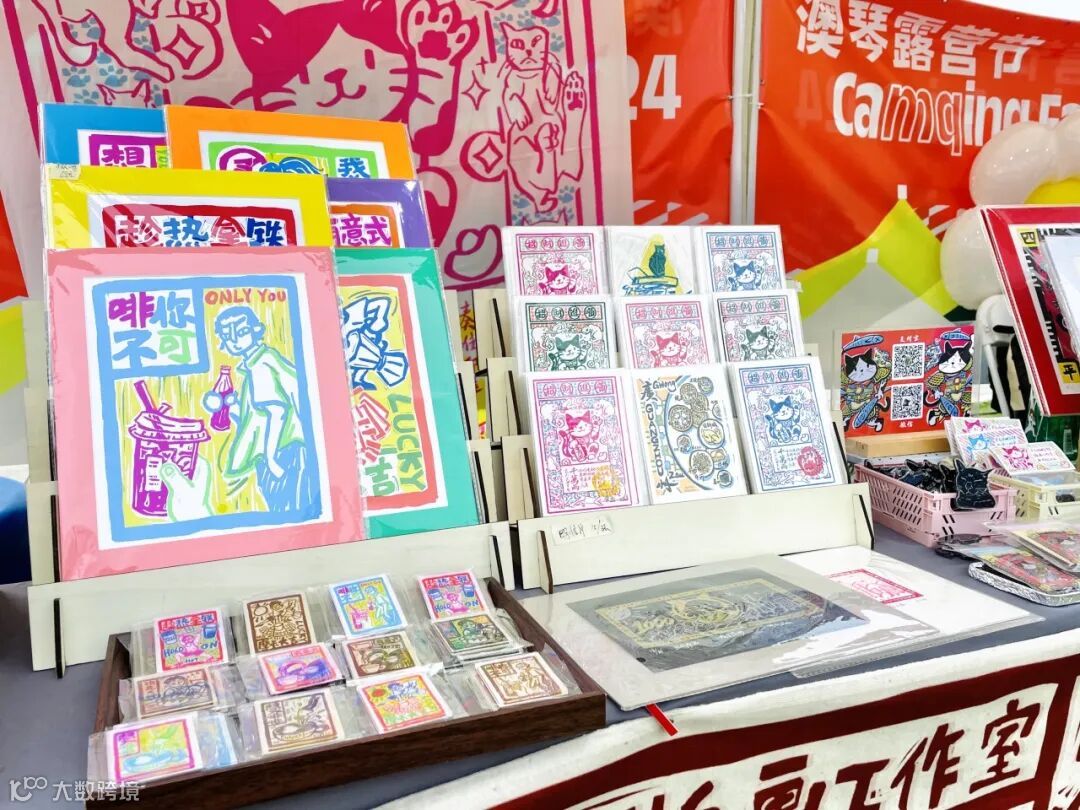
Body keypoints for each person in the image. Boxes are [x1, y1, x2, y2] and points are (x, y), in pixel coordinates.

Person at [206, 305, 315, 514]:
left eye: (241, 331)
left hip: (284, 452)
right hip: (287, 450)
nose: (235, 340)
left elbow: (277, 412)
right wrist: (229, 408)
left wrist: (271, 458)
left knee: (288, 510)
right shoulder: (261, 361)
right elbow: (256, 419)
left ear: (256, 330)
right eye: (228, 336)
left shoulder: (261, 366)